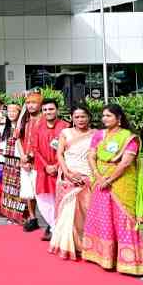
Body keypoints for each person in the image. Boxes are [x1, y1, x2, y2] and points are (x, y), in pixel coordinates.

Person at [82, 104, 143, 276]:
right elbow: (91, 156)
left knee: (122, 219)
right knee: (103, 217)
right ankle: (103, 256)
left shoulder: (129, 137)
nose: (104, 118)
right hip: (100, 181)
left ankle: (129, 261)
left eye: (109, 116)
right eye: (103, 115)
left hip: (121, 183)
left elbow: (125, 163)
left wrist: (109, 179)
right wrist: (99, 177)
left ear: (119, 118)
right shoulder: (99, 135)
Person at [49, 105, 95, 260]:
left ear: (89, 117)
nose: (80, 120)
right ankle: (68, 246)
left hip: (88, 177)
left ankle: (87, 245)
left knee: (87, 212)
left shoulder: (96, 134)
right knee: (69, 213)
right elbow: (60, 154)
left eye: (83, 116)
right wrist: (67, 173)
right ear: (72, 118)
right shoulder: (65, 133)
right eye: (77, 117)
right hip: (69, 176)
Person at [34, 99, 70, 241]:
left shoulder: (66, 127)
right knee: (43, 200)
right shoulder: (38, 127)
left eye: (51, 109)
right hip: (44, 170)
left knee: (61, 200)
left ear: (57, 110)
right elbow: (35, 149)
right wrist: (46, 166)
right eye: (45, 110)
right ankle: (54, 227)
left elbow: (68, 149)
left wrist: (56, 165)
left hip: (61, 169)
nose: (48, 112)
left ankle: (60, 230)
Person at [19, 90, 44, 232]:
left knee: (41, 193)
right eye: (28, 103)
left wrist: (29, 157)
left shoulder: (44, 120)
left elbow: (43, 143)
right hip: (25, 162)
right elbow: (18, 139)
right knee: (29, 192)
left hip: (38, 162)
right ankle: (33, 218)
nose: (30, 105)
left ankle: (49, 223)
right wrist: (23, 157)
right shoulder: (25, 120)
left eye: (34, 102)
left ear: (40, 104)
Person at [0, 103, 28, 224]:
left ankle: (21, 215)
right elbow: (1, 144)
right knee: (8, 189)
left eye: (14, 111)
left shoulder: (23, 127)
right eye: (9, 111)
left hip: (18, 160)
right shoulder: (4, 127)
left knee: (19, 188)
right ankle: (9, 215)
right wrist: (0, 160)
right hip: (7, 161)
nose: (11, 113)